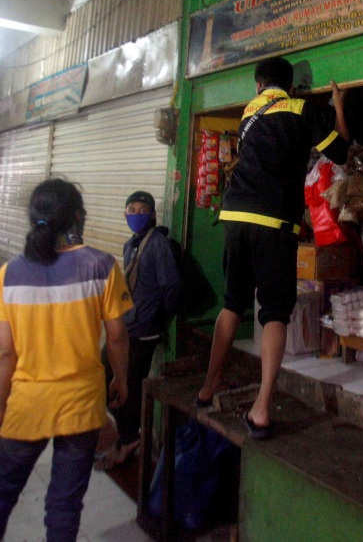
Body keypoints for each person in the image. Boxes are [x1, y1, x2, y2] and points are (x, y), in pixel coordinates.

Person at [197, 56, 349, 438]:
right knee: (275, 312)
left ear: (258, 85)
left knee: (232, 303)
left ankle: (207, 387)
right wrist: (338, 107)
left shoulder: (250, 112)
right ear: (292, 86)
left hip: (235, 215)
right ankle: (262, 409)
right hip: (273, 222)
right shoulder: (300, 108)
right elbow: (341, 152)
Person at [0, 178, 131, 541]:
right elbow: (117, 337)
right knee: (65, 505)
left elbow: (6, 352)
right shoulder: (101, 265)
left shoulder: (9, 275)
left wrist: (1, 404)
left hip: (27, 406)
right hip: (81, 407)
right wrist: (121, 380)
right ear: (77, 216)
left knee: (3, 492)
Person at [95, 189, 183, 470]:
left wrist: (156, 316)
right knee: (104, 378)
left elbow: (172, 286)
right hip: (126, 328)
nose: (136, 215)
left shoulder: (158, 244)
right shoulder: (130, 244)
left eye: (142, 210)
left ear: (153, 214)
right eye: (131, 210)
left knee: (127, 388)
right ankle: (128, 435)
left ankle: (129, 440)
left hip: (142, 332)